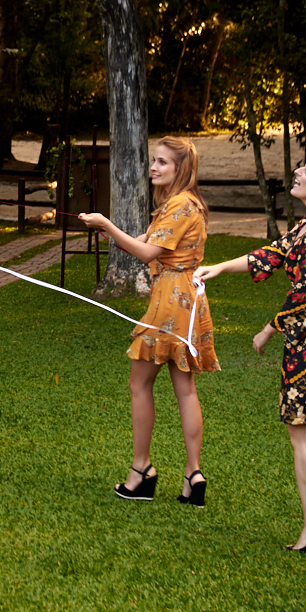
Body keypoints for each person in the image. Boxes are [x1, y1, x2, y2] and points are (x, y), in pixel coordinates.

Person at [195, 150, 306, 553]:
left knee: (303, 434)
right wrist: (218, 267)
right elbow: (272, 254)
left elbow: (303, 298)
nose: (297, 172)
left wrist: (267, 330)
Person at [80, 136, 220, 506]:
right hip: (185, 299)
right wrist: (104, 228)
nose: (153, 167)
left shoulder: (179, 205)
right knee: (185, 389)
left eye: (162, 163)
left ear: (180, 169)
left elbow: (145, 252)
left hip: (172, 301)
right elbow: (141, 240)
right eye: (153, 161)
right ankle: (193, 476)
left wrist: (107, 225)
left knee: (139, 384)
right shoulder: (184, 206)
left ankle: (141, 470)